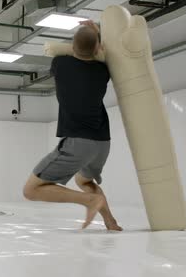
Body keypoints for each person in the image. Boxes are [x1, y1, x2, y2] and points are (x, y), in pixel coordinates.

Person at [22, 21, 122, 231]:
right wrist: (96, 31)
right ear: (97, 48)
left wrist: (90, 34)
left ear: (73, 47)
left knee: (31, 190)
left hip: (78, 143)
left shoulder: (60, 65)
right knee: (84, 180)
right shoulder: (103, 71)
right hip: (102, 144)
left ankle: (89, 201)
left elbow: (67, 50)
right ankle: (111, 222)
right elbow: (93, 51)